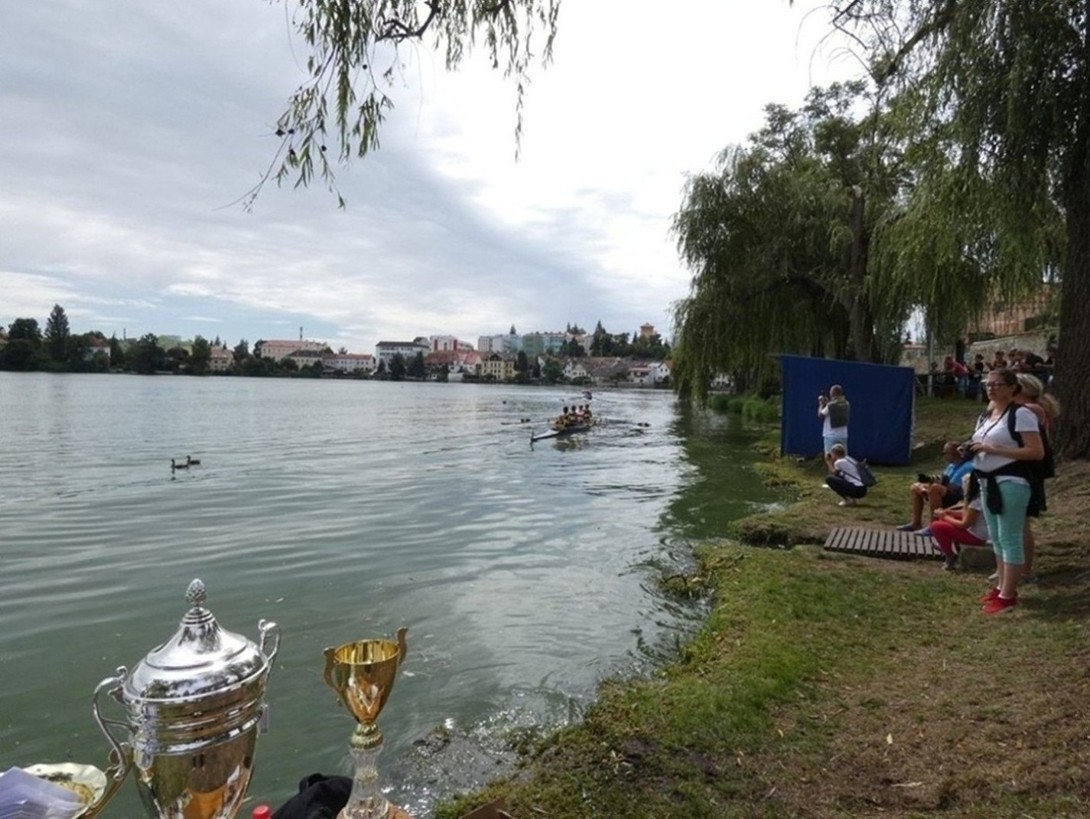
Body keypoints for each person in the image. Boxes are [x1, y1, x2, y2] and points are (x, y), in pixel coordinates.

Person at [969, 368, 1045, 615]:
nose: (991, 389)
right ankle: (1001, 587)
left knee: (1010, 536)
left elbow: (1036, 451)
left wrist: (994, 450)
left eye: (997, 384)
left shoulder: (1021, 414)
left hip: (1010, 480)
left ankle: (1008, 595)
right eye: (988, 384)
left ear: (1012, 388)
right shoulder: (988, 415)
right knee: (997, 537)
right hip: (986, 481)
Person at [1014, 373, 1061, 583]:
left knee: (1021, 523)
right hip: (1021, 470)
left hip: (1027, 472)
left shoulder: (1030, 409)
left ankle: (1024, 570)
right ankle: (1013, 567)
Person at [895, 441, 973, 533]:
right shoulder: (952, 465)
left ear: (955, 453)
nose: (944, 455)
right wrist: (926, 485)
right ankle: (916, 523)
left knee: (935, 488)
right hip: (949, 491)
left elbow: (951, 485)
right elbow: (943, 479)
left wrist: (930, 487)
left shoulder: (967, 466)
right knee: (916, 487)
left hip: (959, 495)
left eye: (945, 453)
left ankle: (933, 526)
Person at [929, 475, 990, 570]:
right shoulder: (977, 498)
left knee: (936, 526)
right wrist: (948, 512)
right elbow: (967, 513)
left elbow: (964, 524)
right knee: (943, 520)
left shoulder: (976, 503)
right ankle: (946, 545)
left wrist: (944, 516)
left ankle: (949, 556)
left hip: (977, 537)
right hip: (976, 532)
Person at [818, 384, 850, 454]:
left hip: (830, 435)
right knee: (843, 456)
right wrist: (828, 403)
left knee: (829, 457)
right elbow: (836, 406)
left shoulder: (831, 405)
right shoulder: (846, 403)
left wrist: (821, 404)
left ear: (833, 393)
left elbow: (821, 415)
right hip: (843, 435)